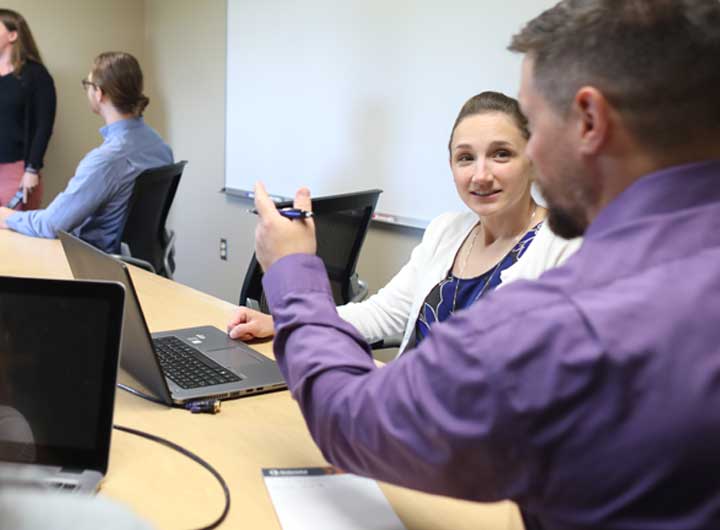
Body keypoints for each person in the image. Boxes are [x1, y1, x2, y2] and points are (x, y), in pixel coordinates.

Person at [249, 1, 720, 529]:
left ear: (589, 121)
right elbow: (385, 313)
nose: (492, 171)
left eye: (531, 131)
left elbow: (351, 419)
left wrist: (292, 271)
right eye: (464, 157)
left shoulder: (565, 319)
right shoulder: (454, 235)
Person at [228, 92, 580, 354]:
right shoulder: (447, 230)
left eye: (501, 154)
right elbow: (383, 314)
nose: (480, 175)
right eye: (465, 158)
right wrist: (288, 322)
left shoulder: (564, 248)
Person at [0, 51, 172, 253]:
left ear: (99, 93)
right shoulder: (159, 146)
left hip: (96, 268)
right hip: (138, 267)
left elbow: (51, 225)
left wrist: (8, 217)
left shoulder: (106, 160)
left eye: (87, 85)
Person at [0, 9, 56, 210]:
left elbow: (44, 125)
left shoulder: (36, 75)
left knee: (12, 236)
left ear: (13, 35)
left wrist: (32, 168)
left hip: (17, 170)